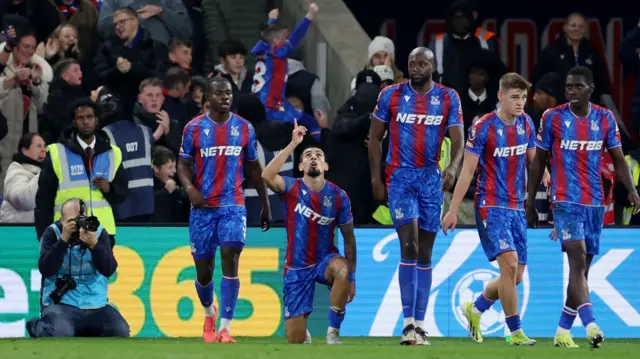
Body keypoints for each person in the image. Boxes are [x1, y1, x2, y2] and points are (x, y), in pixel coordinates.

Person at [526, 66, 640, 348]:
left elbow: (618, 158)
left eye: (578, 86)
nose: (572, 91)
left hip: (595, 202)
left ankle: (563, 330)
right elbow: (539, 160)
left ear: (590, 88)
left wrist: (632, 189)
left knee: (583, 271)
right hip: (564, 200)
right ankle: (591, 325)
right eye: (568, 87)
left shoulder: (604, 118)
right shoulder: (552, 118)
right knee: (576, 260)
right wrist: (530, 200)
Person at [367, 47, 465, 345]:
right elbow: (374, 137)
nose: (416, 67)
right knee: (407, 246)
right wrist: (375, 178)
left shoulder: (448, 97)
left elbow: (459, 139)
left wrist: (453, 167)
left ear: (433, 67)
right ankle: (407, 324)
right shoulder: (391, 95)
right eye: (411, 63)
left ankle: (420, 325)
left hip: (431, 180)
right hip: (400, 178)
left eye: (422, 63)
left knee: (424, 253)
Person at [442, 72, 537, 346]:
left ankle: (477, 308)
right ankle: (515, 331)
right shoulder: (483, 127)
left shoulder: (527, 123)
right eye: (514, 97)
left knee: (515, 276)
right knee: (508, 264)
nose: (520, 103)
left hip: (516, 207)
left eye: (523, 97)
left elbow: (532, 158)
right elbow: (468, 170)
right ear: (500, 96)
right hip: (491, 205)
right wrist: (452, 209)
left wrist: (545, 174)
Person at [177, 76, 271, 343]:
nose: (225, 97)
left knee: (231, 256)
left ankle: (226, 327)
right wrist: (190, 189)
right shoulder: (193, 128)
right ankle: (209, 313)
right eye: (219, 93)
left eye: (228, 93)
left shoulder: (244, 128)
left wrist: (265, 204)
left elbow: (253, 167)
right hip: (203, 208)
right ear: (208, 98)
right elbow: (182, 163)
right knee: (204, 270)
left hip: (233, 205)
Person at [261, 122, 356, 345]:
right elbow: (267, 175)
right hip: (296, 266)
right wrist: (293, 144)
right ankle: (302, 330)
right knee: (295, 340)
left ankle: (333, 332)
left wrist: (352, 278)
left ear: (325, 166)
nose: (313, 157)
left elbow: (350, 239)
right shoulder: (291, 187)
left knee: (342, 269)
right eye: (308, 155)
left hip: (325, 260)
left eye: (318, 155)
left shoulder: (339, 196)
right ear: (301, 166)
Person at [26, 198, 129, 338]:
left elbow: (108, 269)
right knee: (60, 332)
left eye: (81, 219)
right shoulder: (53, 233)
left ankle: (84, 330)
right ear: (62, 220)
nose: (77, 224)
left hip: (95, 305)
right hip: (62, 304)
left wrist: (94, 245)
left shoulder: (98, 233)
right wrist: (63, 240)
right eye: (71, 221)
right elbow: (46, 269)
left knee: (120, 331)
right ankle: (35, 325)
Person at [35, 99, 128, 243]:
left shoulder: (113, 153)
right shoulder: (57, 153)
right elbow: (44, 201)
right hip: (67, 233)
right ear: (73, 122)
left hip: (102, 233)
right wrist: (44, 237)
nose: (86, 121)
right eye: (80, 117)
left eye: (89, 117)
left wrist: (109, 188)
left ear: (96, 120)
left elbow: (122, 194)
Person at [250, 3, 321, 141]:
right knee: (311, 124)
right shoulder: (277, 52)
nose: (286, 41)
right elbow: (297, 37)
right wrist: (310, 15)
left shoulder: (262, 48)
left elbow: (267, 35)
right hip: (272, 107)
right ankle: (316, 153)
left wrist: (272, 20)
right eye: (283, 38)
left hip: (257, 104)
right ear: (276, 40)